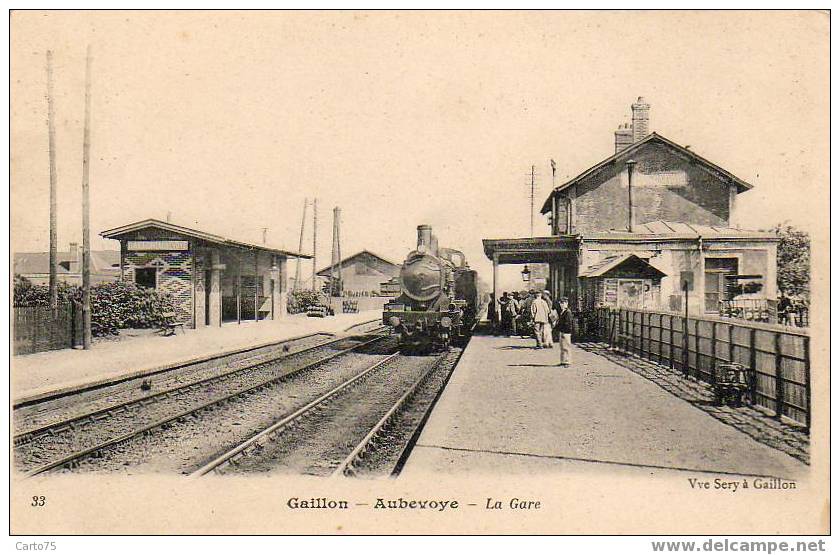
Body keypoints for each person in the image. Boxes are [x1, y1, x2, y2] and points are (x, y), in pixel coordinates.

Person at [556, 297, 575, 367]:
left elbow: (568, 323)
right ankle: (563, 361)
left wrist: (564, 331)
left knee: (566, 347)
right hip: (562, 331)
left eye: (563, 303)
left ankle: (567, 361)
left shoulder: (568, 312)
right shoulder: (563, 312)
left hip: (566, 332)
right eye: (560, 303)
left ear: (566, 303)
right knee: (562, 347)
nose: (561, 305)